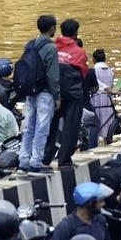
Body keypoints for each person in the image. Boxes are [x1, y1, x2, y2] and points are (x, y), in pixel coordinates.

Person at [43, 19, 91, 169]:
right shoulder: (79, 51)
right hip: (73, 95)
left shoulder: (51, 47)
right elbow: (84, 73)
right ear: (76, 33)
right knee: (71, 127)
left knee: (50, 126)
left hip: (53, 93)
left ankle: (45, 158)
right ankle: (64, 161)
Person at [18, 14, 60, 174]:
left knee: (29, 128)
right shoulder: (51, 47)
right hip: (45, 93)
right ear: (52, 28)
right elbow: (53, 75)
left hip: (30, 91)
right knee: (42, 129)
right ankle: (36, 163)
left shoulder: (29, 45)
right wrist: (56, 96)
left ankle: (23, 162)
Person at [89, 50, 118, 142]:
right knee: (108, 126)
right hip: (108, 100)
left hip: (96, 99)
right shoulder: (111, 71)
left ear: (93, 59)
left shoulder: (93, 71)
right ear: (105, 59)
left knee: (96, 126)